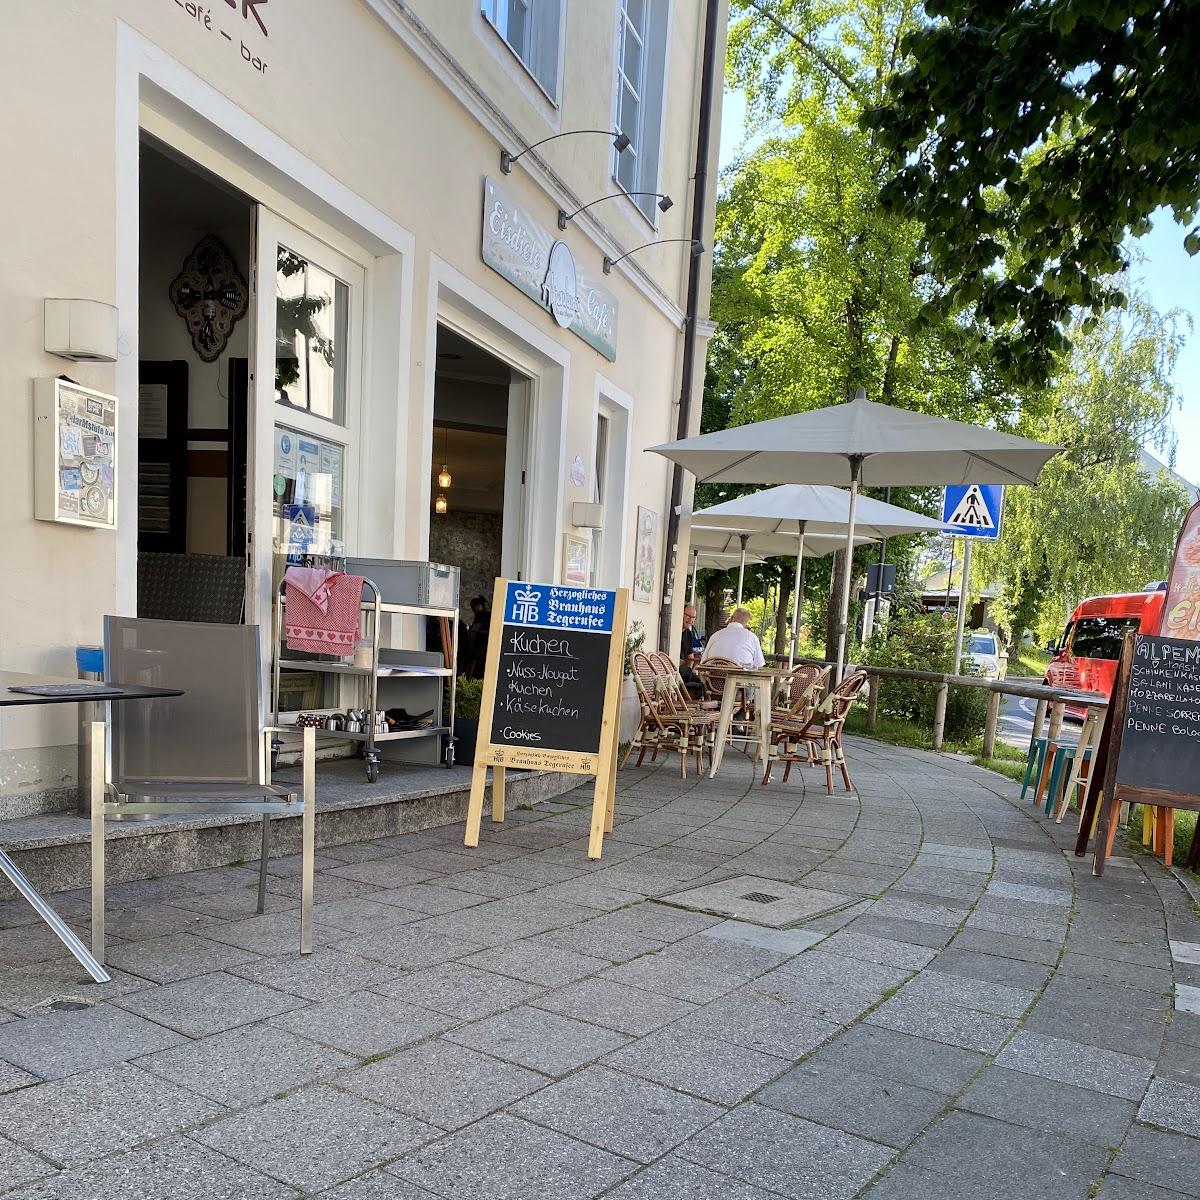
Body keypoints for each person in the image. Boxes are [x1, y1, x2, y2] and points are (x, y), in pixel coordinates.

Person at [679, 603, 705, 699]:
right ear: (681, 614)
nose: (690, 620)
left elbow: (690, 658)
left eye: (693, 617)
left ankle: (696, 707)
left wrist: (693, 666)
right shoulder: (674, 630)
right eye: (688, 616)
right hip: (674, 670)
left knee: (703, 683)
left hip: (684, 671)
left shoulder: (688, 634)